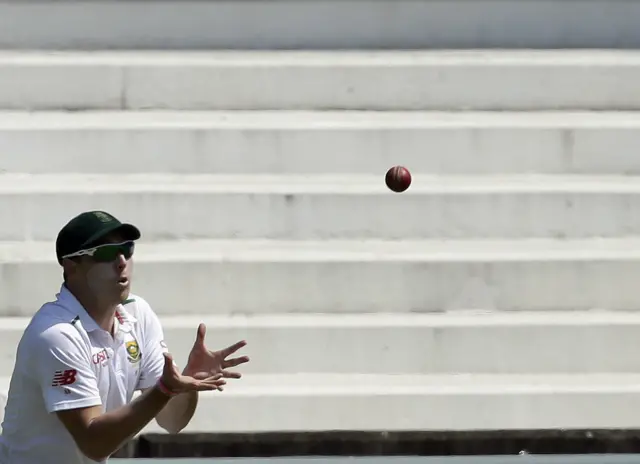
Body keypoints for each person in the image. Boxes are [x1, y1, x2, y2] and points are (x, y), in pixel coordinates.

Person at [0, 210, 249, 463]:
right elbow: (94, 443)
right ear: (71, 266)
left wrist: (185, 386)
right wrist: (164, 390)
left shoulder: (137, 313)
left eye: (127, 249)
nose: (121, 261)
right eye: (106, 252)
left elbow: (172, 421)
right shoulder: (56, 335)